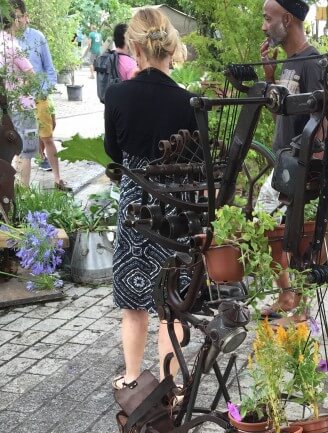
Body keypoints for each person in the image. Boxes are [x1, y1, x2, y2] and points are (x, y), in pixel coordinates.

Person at [104, 7, 197, 389]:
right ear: (169, 48)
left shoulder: (117, 94)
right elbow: (196, 159)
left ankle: (130, 376)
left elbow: (113, 150)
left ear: (136, 50)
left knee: (133, 301)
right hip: (176, 207)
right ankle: (167, 386)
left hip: (135, 204)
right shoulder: (188, 101)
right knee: (170, 305)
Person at [258, 0, 323, 317]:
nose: (264, 26)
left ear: (287, 19)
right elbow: (283, 114)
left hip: (298, 166)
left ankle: (294, 296)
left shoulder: (312, 63)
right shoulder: (289, 62)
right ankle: (290, 294)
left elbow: (320, 122)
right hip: (284, 161)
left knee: (276, 225)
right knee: (273, 228)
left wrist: (305, 163)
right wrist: (271, 78)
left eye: (267, 19)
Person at [11, 0, 71, 191]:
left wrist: (42, 92)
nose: (17, 21)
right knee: (18, 144)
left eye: (19, 16)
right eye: (12, 17)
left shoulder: (37, 37)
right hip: (18, 101)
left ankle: (58, 178)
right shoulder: (6, 40)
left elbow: (50, 70)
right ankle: (19, 189)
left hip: (39, 97)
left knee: (47, 139)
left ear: (26, 16)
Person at [1, 8, 37, 187]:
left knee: (8, 149)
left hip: (5, 107)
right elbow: (32, 75)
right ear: (15, 19)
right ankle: (24, 191)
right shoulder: (12, 45)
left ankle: (8, 190)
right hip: (22, 105)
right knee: (25, 150)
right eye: (21, 17)